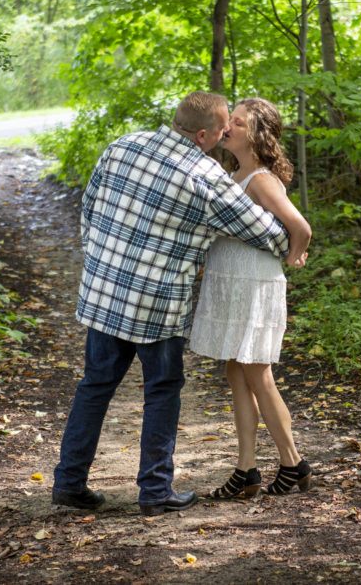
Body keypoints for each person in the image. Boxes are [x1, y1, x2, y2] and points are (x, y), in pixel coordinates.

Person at [52, 91, 301, 516]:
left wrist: (100, 264)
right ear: (203, 134)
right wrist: (290, 243)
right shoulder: (204, 175)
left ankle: (69, 485)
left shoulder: (122, 147)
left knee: (94, 388)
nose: (227, 132)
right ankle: (155, 492)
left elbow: (88, 209)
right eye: (224, 126)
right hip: (157, 306)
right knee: (162, 392)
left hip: (104, 295)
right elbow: (271, 233)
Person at [189, 97, 313, 499]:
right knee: (236, 371)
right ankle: (246, 469)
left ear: (257, 136)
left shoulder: (260, 179)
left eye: (238, 124)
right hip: (233, 283)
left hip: (254, 284)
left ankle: (294, 463)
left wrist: (295, 254)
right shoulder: (236, 174)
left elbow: (300, 226)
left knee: (258, 373)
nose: (228, 129)